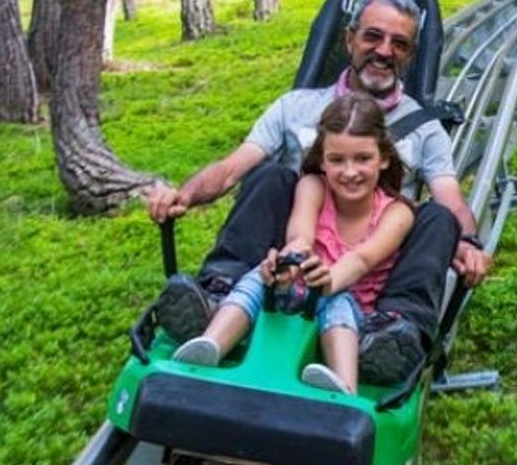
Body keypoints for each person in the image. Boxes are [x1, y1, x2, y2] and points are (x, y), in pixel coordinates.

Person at [147, 0, 491, 385]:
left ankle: (394, 330)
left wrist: (468, 243)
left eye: (398, 43)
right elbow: (231, 168)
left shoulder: (425, 128)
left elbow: (450, 199)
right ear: (349, 39)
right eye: (373, 36)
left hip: (376, 255)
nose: (384, 51)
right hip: (293, 253)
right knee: (273, 176)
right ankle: (219, 293)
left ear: (410, 55)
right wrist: (183, 195)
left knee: (437, 219)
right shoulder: (295, 108)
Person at [171, 94, 414, 394]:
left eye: (363, 158)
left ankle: (345, 384)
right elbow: (300, 237)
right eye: (337, 160)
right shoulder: (313, 187)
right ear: (322, 160)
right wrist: (284, 265)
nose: (350, 172)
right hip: (299, 292)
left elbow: (362, 259)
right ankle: (210, 345)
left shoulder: (397, 213)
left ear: (384, 158)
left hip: (350, 311)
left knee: (337, 300)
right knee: (255, 279)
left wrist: (327, 282)